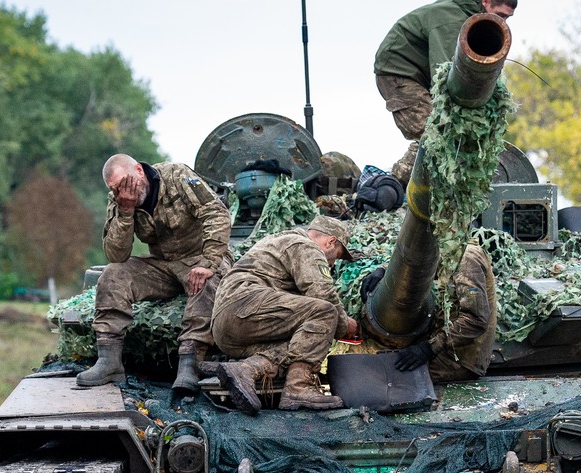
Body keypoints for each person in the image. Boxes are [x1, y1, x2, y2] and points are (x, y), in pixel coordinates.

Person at [76, 154, 233, 395]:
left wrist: (209, 261)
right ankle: (109, 360)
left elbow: (216, 213)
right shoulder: (119, 199)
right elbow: (116, 254)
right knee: (113, 274)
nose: (124, 190)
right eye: (116, 188)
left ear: (139, 170)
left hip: (199, 255)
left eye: (127, 183)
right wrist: (126, 211)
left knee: (207, 282)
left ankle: (190, 362)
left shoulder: (177, 176)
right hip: (162, 264)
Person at [210, 216, 361, 415]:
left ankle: (245, 370)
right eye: (336, 256)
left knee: (299, 343)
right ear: (330, 241)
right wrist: (347, 326)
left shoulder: (279, 241)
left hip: (227, 327)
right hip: (247, 306)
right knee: (325, 311)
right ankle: (298, 388)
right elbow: (322, 294)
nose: (332, 264)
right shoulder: (305, 246)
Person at [373, 0, 517, 187]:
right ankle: (393, 185)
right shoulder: (452, 22)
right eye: (501, 15)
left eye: (507, 17)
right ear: (486, 1)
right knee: (436, 137)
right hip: (399, 73)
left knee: (446, 137)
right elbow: (443, 76)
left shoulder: (473, 20)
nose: (503, 22)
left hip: (419, 74)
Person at [366, 242, 497, 382]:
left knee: (391, 380)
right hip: (442, 345)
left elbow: (475, 320)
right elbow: (421, 264)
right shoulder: (449, 249)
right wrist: (384, 270)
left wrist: (429, 348)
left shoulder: (467, 258)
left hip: (460, 358)